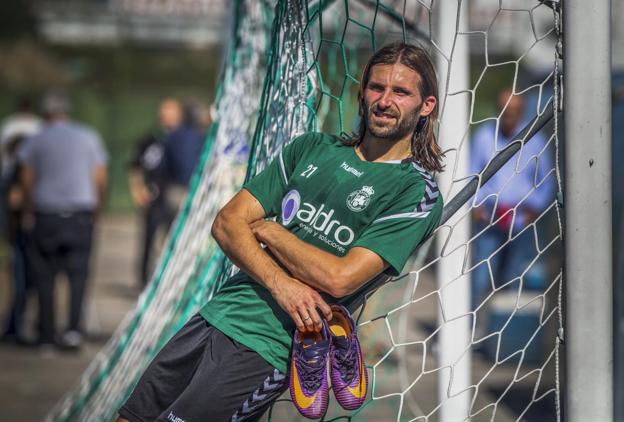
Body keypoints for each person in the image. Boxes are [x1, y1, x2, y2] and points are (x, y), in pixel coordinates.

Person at [117, 42, 444, 422]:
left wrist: (268, 231)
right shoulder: (312, 148)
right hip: (217, 313)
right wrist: (280, 281)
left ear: (426, 105)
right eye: (377, 87)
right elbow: (226, 223)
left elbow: (339, 278)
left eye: (401, 92)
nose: (384, 100)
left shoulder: (415, 191)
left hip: (270, 345)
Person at [18, 91, 109, 350]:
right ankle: (72, 332)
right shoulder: (88, 136)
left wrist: (27, 210)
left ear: (45, 112)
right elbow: (100, 176)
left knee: (44, 278)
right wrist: (97, 209)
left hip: (46, 215)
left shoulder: (36, 139)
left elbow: (27, 179)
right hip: (80, 215)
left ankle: (46, 335)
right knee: (78, 276)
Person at [470, 88, 555, 310]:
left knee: (512, 277)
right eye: (505, 111)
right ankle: (471, 327)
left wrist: (535, 209)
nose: (509, 116)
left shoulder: (535, 139)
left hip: (520, 220)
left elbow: (546, 178)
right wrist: (476, 206)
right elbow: (471, 174)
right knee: (480, 276)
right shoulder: (484, 136)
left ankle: (501, 333)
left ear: (522, 112)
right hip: (489, 218)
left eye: (514, 111)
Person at [0, 96, 42, 342]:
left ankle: (18, 325)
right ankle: (17, 326)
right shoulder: (17, 175)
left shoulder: (16, 173)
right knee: (23, 281)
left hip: (24, 235)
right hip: (23, 235)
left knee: (24, 281)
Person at [128, 98, 182, 286]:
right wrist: (138, 190)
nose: (167, 119)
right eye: (164, 115)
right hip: (154, 198)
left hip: (175, 197)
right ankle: (144, 281)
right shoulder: (150, 140)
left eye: (171, 115)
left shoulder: (182, 141)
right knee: (149, 239)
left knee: (173, 241)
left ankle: (170, 281)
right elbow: (135, 167)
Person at [161, 100, 208, 213]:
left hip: (176, 190)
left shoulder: (172, 136)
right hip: (197, 189)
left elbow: (164, 165)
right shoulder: (203, 136)